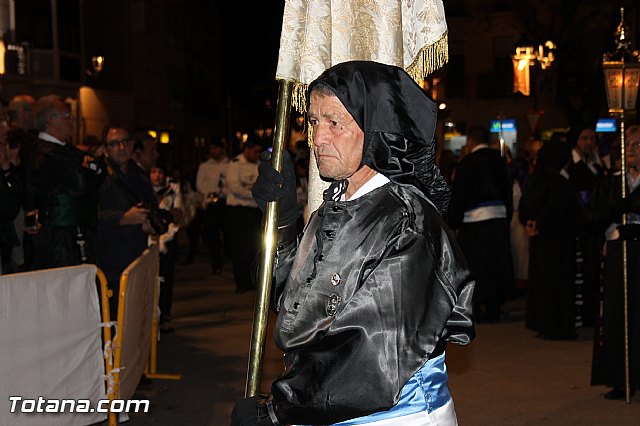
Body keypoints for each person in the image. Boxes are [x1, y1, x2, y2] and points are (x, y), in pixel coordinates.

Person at [232, 61, 474, 425]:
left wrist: (276, 411)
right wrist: (281, 222)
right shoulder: (336, 206)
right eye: (313, 121)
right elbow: (282, 298)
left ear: (377, 129)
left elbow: (369, 356)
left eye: (335, 122)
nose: (317, 138)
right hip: (325, 409)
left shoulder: (407, 222)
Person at [588, 125, 640, 400]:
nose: (631, 151)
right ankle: (621, 377)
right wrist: (613, 211)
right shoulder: (612, 183)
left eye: (637, 145)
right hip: (617, 253)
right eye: (628, 145)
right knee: (618, 315)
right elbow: (591, 219)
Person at [25, 95, 101, 270]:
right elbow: (79, 185)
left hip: (68, 238)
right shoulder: (47, 154)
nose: (72, 120)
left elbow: (97, 171)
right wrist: (88, 170)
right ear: (51, 122)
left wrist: (90, 169)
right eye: (67, 116)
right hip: (58, 243)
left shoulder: (64, 150)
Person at [446, 124, 513, 322]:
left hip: (475, 222)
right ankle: (495, 306)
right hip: (498, 219)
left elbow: (461, 194)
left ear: (471, 142)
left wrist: (453, 219)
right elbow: (508, 190)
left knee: (477, 267)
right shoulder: (500, 160)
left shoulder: (467, 163)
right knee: (497, 264)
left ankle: (477, 306)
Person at [519, 141, 581, 340]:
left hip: (538, 240)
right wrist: (541, 224)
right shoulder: (558, 182)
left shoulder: (533, 178)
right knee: (558, 283)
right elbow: (559, 210)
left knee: (540, 281)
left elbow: (525, 206)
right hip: (557, 239)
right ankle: (558, 327)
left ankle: (542, 324)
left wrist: (531, 223)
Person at [96, 125, 158, 316]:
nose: (121, 147)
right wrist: (122, 218)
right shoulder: (97, 176)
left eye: (125, 142)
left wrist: (151, 222)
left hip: (137, 257)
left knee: (137, 319)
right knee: (115, 319)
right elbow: (88, 216)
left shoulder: (139, 175)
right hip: (110, 261)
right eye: (114, 144)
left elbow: (151, 206)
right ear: (105, 149)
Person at [567, 126, 606, 327]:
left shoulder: (598, 165)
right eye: (584, 138)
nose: (589, 142)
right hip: (580, 226)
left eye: (592, 138)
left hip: (595, 225)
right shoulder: (571, 167)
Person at [150, 162, 185, 330]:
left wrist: (165, 238)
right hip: (148, 239)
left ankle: (164, 314)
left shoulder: (173, 188)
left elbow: (178, 215)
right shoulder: (142, 185)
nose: (157, 175)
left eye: (160, 171)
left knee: (165, 277)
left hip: (168, 238)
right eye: (154, 171)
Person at [225, 138, 263, 292]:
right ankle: (241, 282)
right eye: (255, 151)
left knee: (255, 247)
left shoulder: (259, 164)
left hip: (255, 211)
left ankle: (253, 281)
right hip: (239, 211)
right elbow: (235, 188)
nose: (257, 154)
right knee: (240, 248)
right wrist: (255, 193)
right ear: (246, 149)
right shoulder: (235, 164)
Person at [195, 138, 229, 273]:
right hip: (211, 203)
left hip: (225, 201)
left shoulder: (230, 164)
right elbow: (200, 185)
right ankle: (216, 263)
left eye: (215, 148)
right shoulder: (205, 166)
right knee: (212, 234)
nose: (213, 151)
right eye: (211, 149)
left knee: (227, 233)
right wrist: (212, 190)